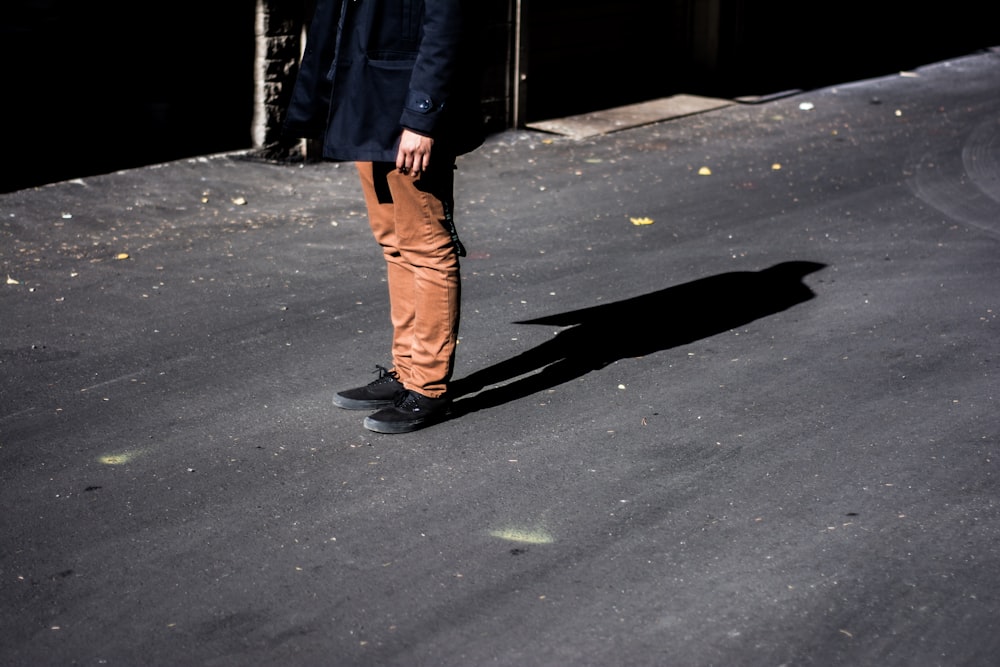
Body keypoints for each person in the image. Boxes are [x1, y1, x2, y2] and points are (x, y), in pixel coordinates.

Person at [283, 0, 485, 433]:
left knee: (426, 246)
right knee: (395, 242)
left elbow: (447, 28)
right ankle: (407, 371)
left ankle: (428, 388)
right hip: (366, 102)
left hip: (407, 114)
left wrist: (422, 118)